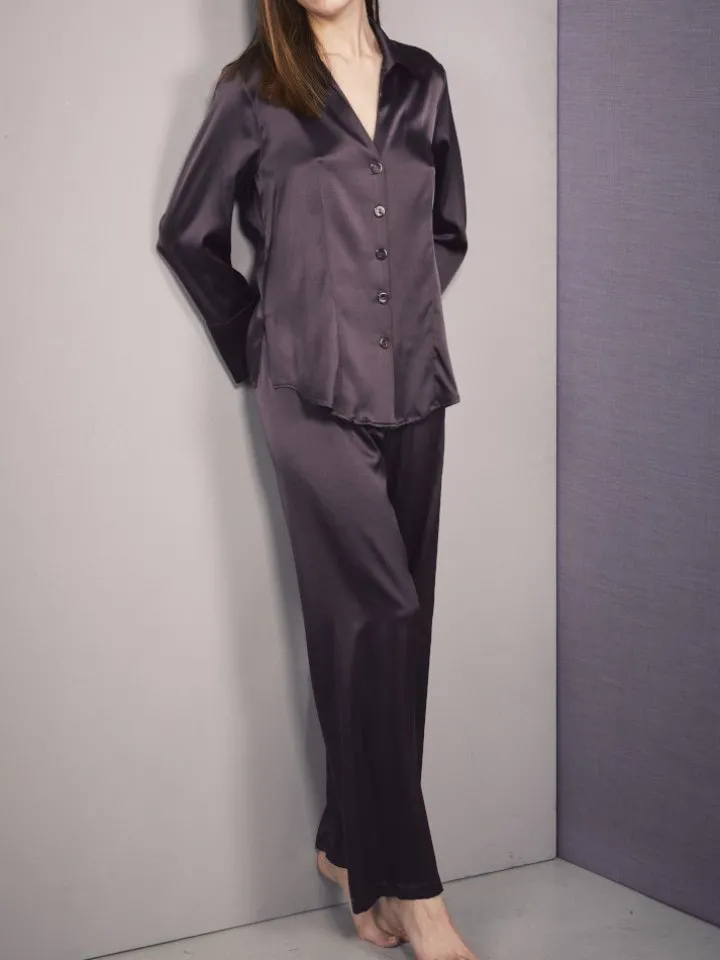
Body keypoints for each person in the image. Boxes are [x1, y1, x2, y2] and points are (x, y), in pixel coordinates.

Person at [156, 2, 474, 958]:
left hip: (414, 385)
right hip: (309, 393)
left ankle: (346, 843)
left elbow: (446, 230)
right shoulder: (254, 90)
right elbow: (187, 233)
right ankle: (414, 891)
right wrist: (268, 338)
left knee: (402, 634)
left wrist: (393, 318)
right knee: (379, 614)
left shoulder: (423, 80)